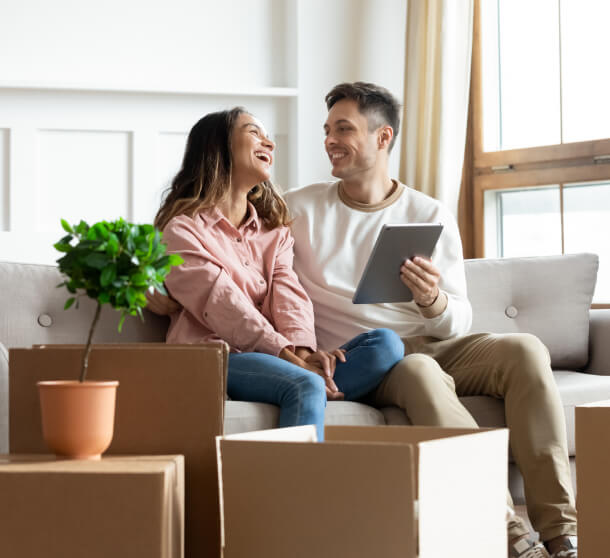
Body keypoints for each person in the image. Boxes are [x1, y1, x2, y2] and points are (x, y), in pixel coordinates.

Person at [283, 82, 577, 558]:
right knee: (418, 370)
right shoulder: (299, 207)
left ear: (383, 138)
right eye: (327, 130)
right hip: (372, 356)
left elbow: (458, 321)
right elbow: (228, 227)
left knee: (526, 349)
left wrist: (432, 300)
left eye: (344, 129)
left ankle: (561, 533)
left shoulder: (427, 212)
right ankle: (509, 531)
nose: (330, 141)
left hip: (433, 342)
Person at [152, 106, 404, 442]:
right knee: (305, 382)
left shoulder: (275, 232)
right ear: (219, 146)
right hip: (214, 358)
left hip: (277, 357)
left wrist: (302, 352)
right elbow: (223, 304)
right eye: (254, 132)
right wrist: (290, 359)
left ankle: (297, 387)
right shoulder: (182, 230)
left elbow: (289, 295)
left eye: (267, 135)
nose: (269, 143)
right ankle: (293, 482)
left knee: (386, 345)